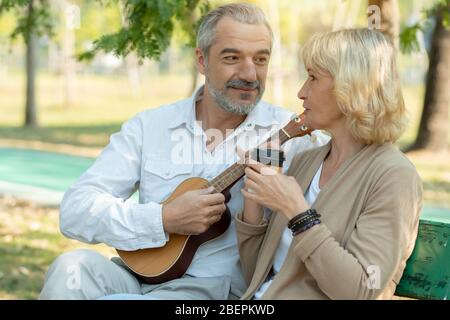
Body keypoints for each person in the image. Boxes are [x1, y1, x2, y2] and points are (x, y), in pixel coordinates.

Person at [39, 3, 327, 300]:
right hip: (137, 276)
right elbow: (75, 210)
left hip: (212, 290)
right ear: (202, 61)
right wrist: (163, 219)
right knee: (70, 268)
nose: (250, 74)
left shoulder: (289, 136)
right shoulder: (150, 126)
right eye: (232, 58)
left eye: (261, 59)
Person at [236, 28, 423, 300]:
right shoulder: (307, 161)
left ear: (352, 87)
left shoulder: (393, 175)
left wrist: (297, 211)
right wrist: (255, 190)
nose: (301, 92)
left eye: (313, 78)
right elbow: (256, 275)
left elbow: (362, 290)